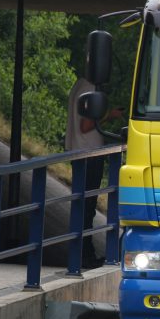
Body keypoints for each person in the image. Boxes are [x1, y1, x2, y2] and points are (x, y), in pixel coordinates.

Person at [65, 76, 120, 268]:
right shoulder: (91, 90)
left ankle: (80, 253)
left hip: (78, 152)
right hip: (88, 153)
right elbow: (86, 126)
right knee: (87, 207)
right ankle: (84, 255)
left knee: (82, 206)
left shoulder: (79, 84)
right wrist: (109, 116)